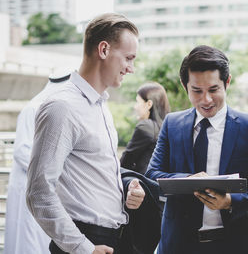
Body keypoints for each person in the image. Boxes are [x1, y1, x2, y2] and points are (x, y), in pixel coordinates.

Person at [26, 13, 145, 254]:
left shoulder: (101, 106)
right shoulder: (62, 107)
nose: (131, 69)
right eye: (128, 58)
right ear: (103, 49)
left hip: (113, 237)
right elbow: (38, 192)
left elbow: (92, 170)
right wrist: (82, 248)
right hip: (86, 241)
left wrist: (127, 184)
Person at [145, 45, 248, 254]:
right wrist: (187, 181)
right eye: (197, 91)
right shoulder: (172, 124)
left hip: (236, 245)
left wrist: (230, 201)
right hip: (179, 245)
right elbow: (152, 176)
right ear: (184, 85)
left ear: (227, 82)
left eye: (213, 90)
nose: (206, 100)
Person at [4, 73, 70, 254]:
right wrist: (55, 170)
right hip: (30, 185)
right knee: (28, 239)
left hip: (47, 188)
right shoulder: (33, 108)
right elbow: (22, 152)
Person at [120, 82, 170, 174]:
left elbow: (125, 162)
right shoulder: (169, 126)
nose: (135, 107)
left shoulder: (146, 127)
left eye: (137, 102)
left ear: (149, 104)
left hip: (145, 184)